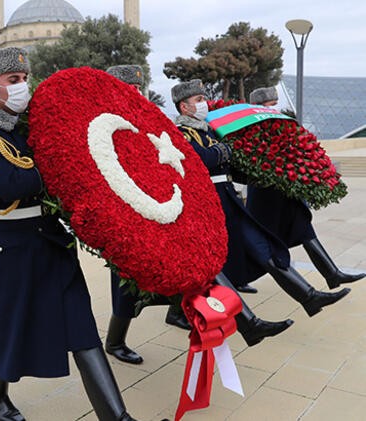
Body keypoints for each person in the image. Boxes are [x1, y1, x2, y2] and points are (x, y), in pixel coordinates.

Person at [0, 47, 139, 421]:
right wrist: (60, 166)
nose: (23, 86)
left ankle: (118, 417)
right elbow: (6, 184)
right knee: (9, 323)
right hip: (11, 244)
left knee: (82, 326)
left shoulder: (34, 127)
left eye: (24, 79)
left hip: (52, 239)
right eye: (13, 81)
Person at [101, 67, 291, 365]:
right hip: (128, 214)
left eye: (138, 87)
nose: (135, 93)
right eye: (128, 87)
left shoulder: (147, 120)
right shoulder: (103, 123)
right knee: (127, 288)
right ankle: (115, 341)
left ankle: (247, 322)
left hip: (164, 206)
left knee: (194, 266)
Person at [171, 79, 350, 318]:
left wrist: (261, 172)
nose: (204, 104)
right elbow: (203, 159)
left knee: (262, 247)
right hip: (210, 206)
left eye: (203, 98)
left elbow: (227, 164)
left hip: (228, 201)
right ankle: (196, 314)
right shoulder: (180, 134)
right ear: (184, 107)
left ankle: (308, 297)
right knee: (214, 266)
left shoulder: (209, 131)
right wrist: (223, 152)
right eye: (198, 100)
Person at [246, 87, 365, 289]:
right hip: (265, 194)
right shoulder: (250, 130)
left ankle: (332, 274)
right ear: (258, 107)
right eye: (271, 105)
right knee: (259, 240)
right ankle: (237, 280)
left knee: (303, 227)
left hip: (286, 192)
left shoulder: (281, 126)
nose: (276, 108)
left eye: (276, 103)